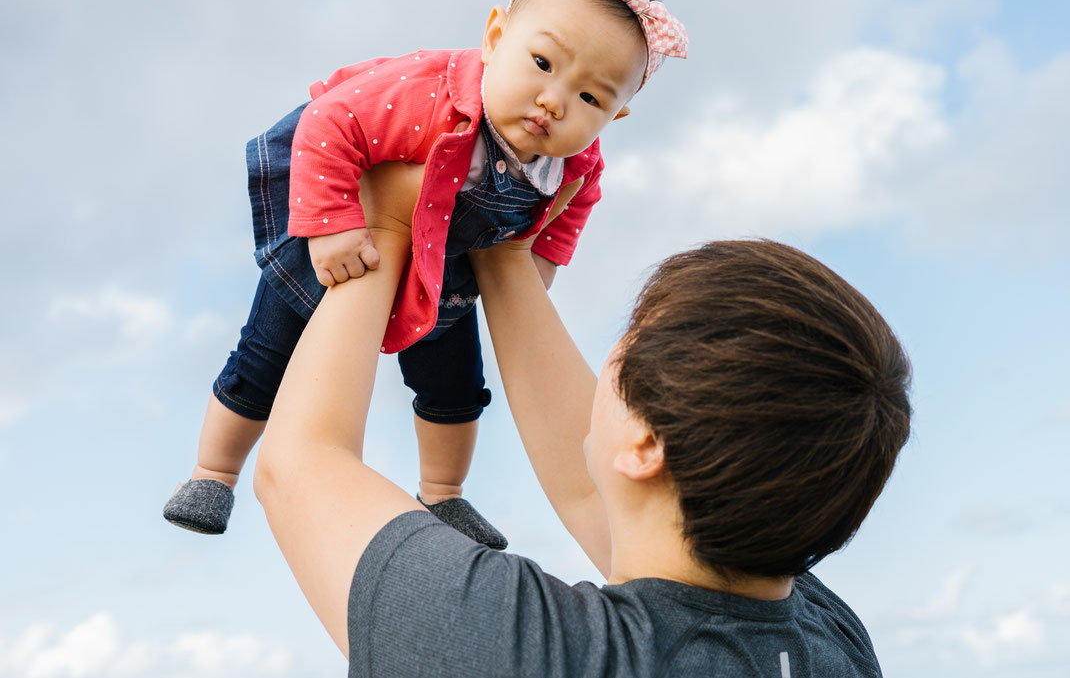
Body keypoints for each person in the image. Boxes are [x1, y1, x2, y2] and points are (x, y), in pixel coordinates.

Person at [251, 161, 913, 676]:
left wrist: (391, 222)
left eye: (625, 345)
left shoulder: (523, 651)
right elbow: (600, 485)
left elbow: (301, 466)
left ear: (648, 441)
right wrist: (504, 250)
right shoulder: (830, 642)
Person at [163, 0, 687, 547]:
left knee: (458, 388)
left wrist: (539, 265)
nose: (552, 101)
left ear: (615, 116)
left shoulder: (575, 165)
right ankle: (213, 472)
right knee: (264, 358)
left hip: (446, 268)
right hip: (340, 228)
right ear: (495, 38)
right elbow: (329, 123)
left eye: (590, 96)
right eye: (542, 63)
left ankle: (444, 492)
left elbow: (572, 211)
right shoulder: (425, 90)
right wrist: (331, 225)